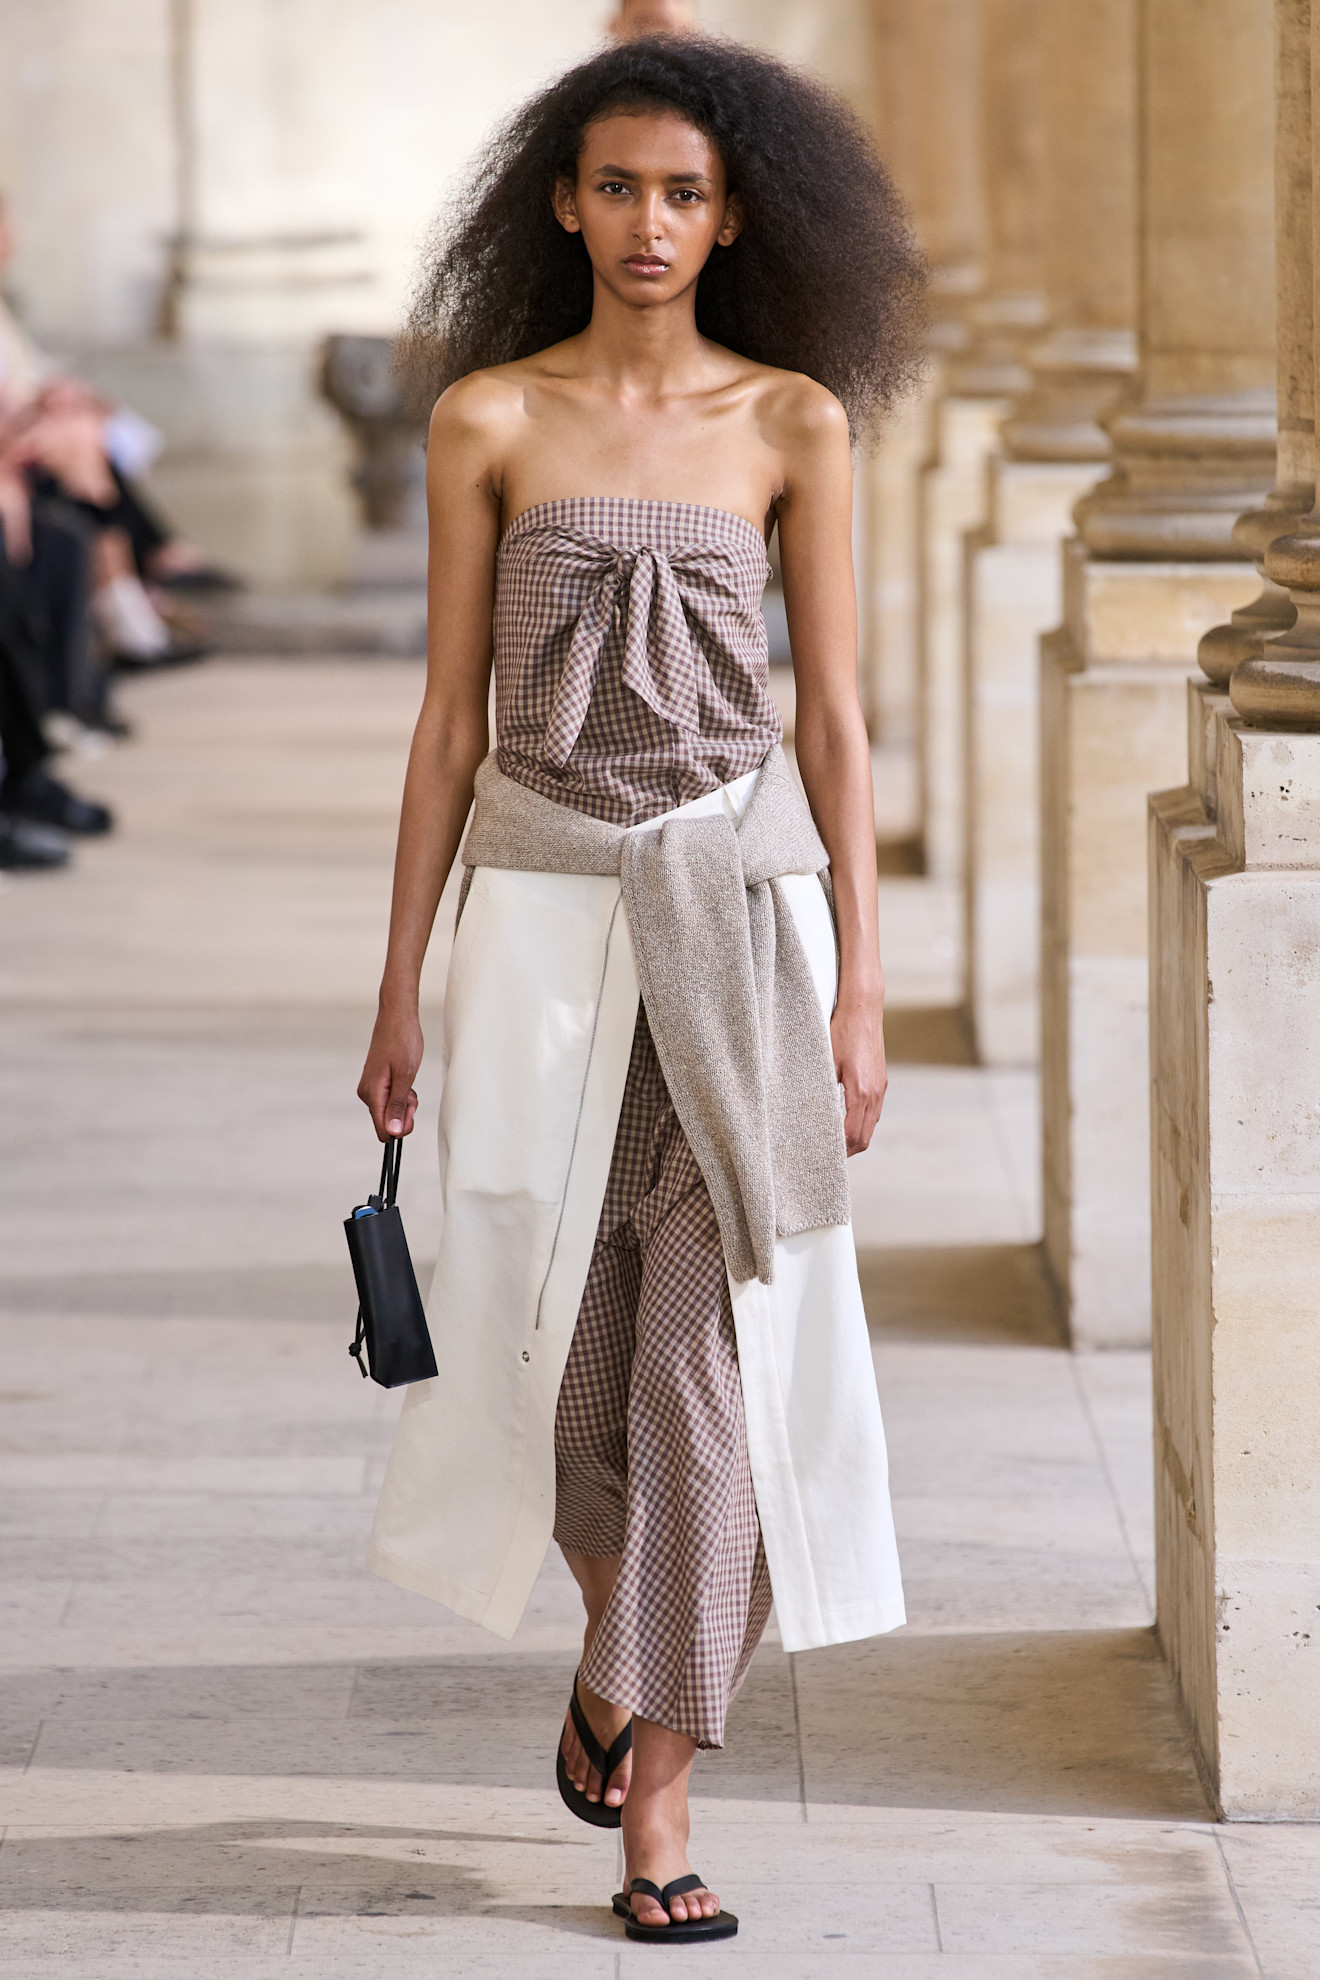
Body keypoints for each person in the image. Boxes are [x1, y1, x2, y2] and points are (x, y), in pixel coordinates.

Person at [357, 34, 924, 1944]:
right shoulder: (486, 421)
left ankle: (656, 1798)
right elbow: (446, 724)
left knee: (713, 1359)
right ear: (560, 203)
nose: (651, 223)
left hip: (738, 933)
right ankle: (618, 1658)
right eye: (618, 187)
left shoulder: (794, 423)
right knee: (557, 1348)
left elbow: (829, 720)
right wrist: (400, 990)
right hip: (532, 929)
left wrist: (862, 985)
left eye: (685, 192)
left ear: (739, 213)